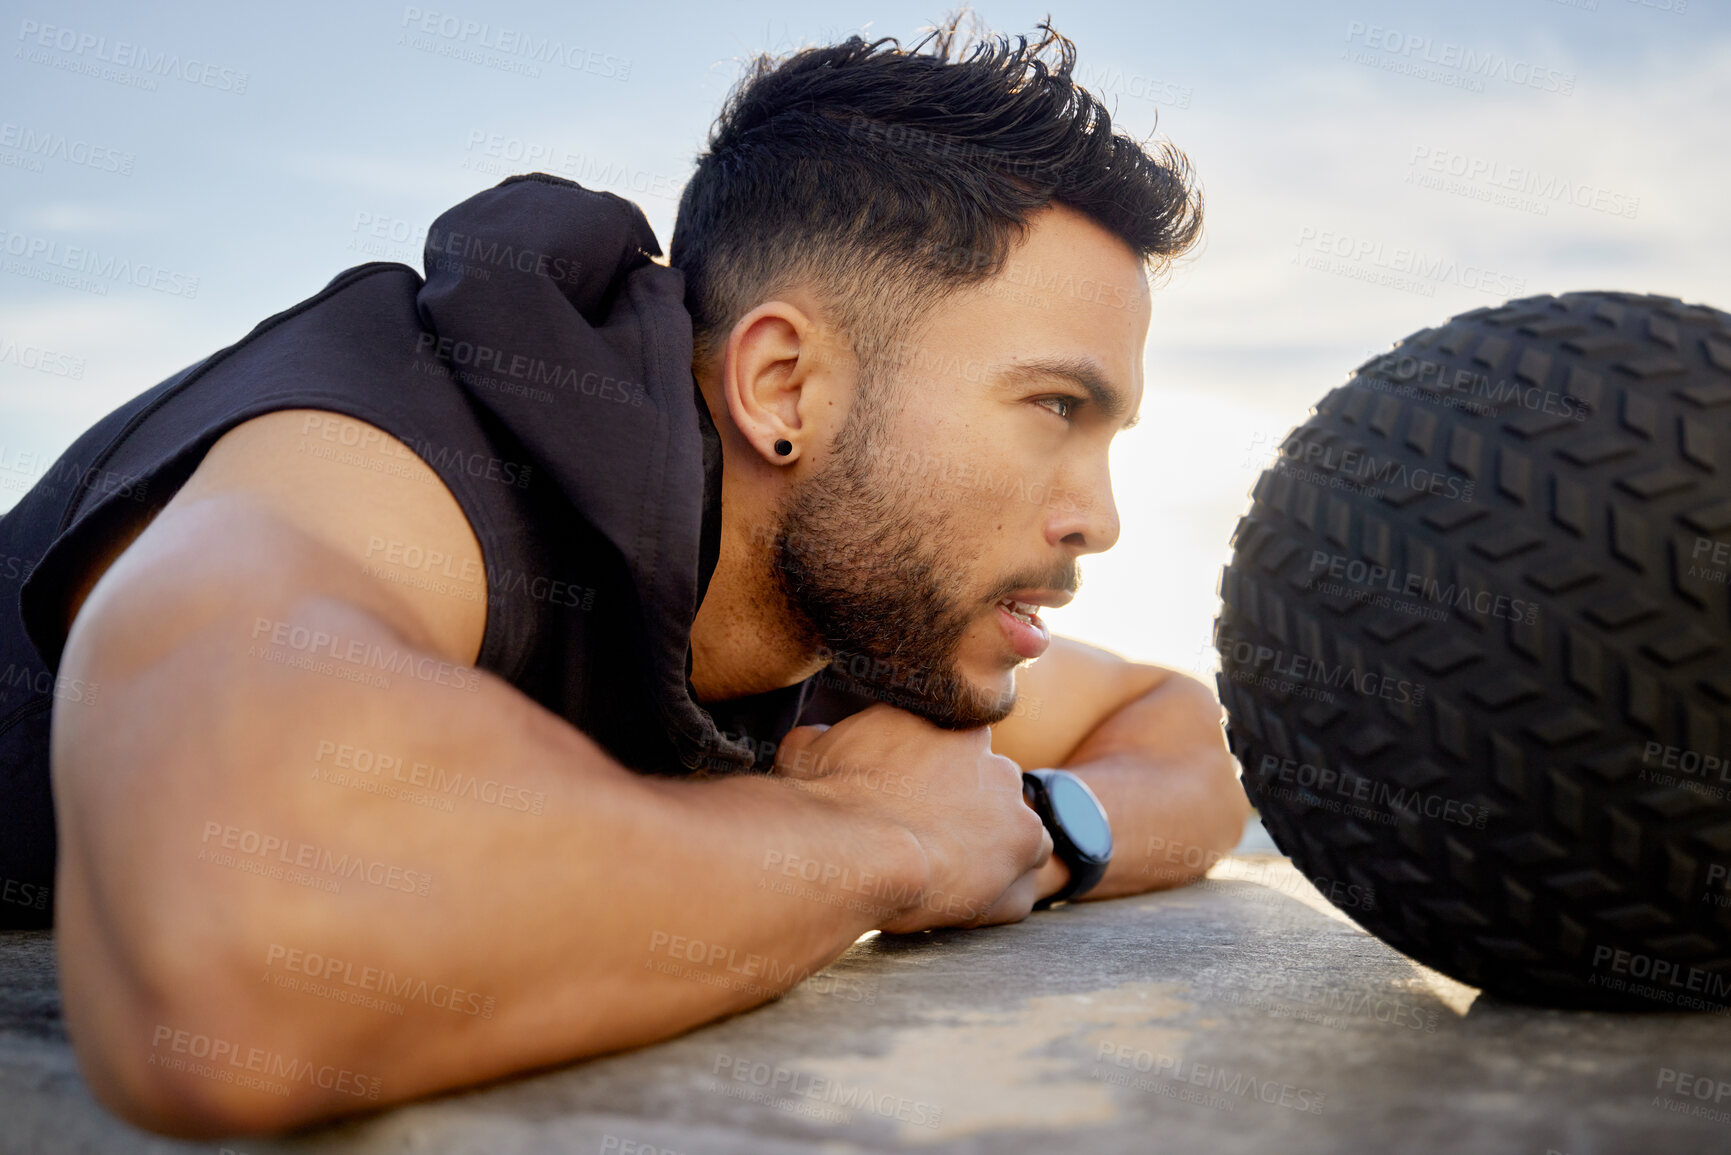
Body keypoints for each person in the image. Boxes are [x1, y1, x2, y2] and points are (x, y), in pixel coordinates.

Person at [0, 21, 1248, 1137]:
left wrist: (1037, 833)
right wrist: (879, 840)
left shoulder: (844, 608)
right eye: (1053, 406)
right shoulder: (403, 449)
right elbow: (250, 957)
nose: (1100, 519)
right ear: (784, 389)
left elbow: (1180, 733)